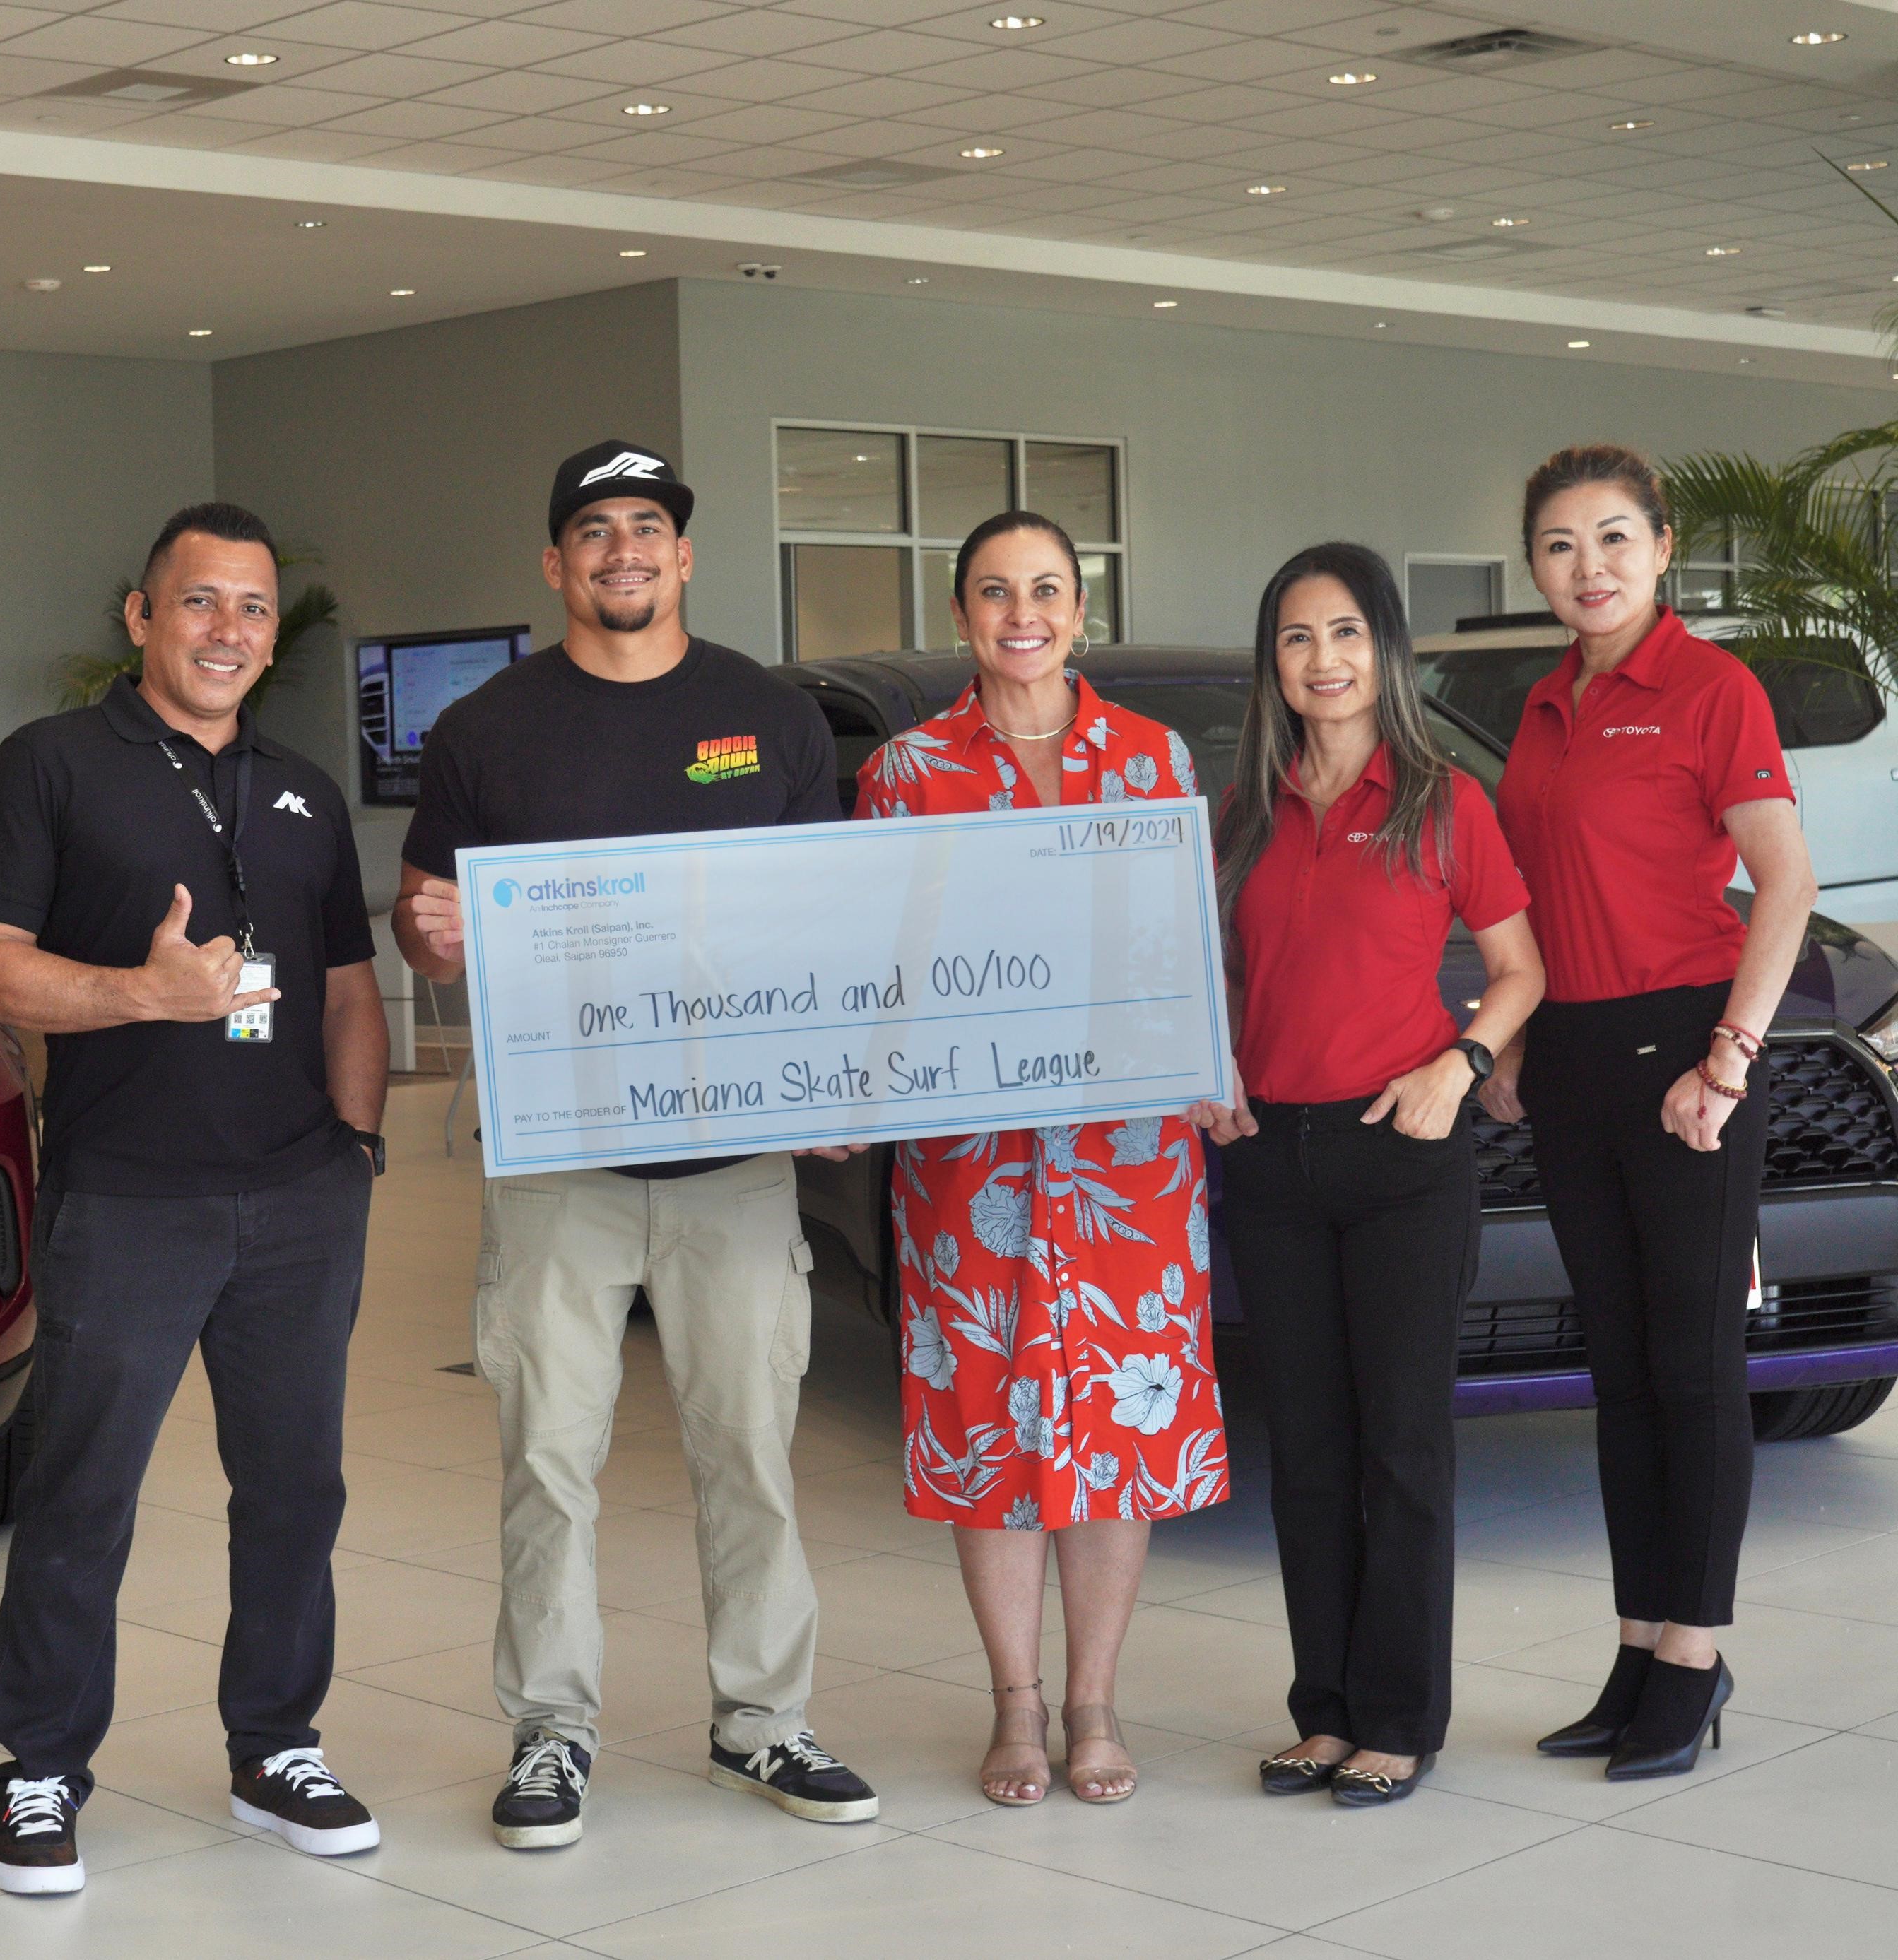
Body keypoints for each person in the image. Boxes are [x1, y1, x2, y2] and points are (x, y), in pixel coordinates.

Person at [394, 440, 878, 1850]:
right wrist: (433, 932)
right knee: (548, 1455)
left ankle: (763, 1721)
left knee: (751, 1446)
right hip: (561, 1161)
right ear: (556, 562)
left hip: (734, 1159)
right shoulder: (485, 730)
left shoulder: (766, 714)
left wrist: (834, 1077)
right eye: (594, 530)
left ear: (681, 555)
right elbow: (436, 912)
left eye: (648, 528)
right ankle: (551, 1732)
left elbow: (822, 921)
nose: (623, 550)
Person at [0, 502, 389, 1896]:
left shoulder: (306, 788)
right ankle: (39, 1767)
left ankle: (276, 1745)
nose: (227, 631)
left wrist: (358, 1147)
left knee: (293, 1490)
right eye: (197, 603)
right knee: (84, 1489)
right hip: (130, 1199)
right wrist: (143, 994)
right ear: (140, 618)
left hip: (298, 1200)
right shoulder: (51, 768)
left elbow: (339, 988)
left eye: (252, 609)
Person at [853, 511, 1225, 1810]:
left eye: (1048, 590)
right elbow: (882, 963)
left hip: (1127, 1160)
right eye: (996, 592)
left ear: (1081, 611)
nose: (1024, 612)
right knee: (988, 1427)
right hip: (970, 1163)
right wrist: (860, 1077)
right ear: (963, 615)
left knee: (1112, 1425)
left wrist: (1211, 1066)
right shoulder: (905, 769)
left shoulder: (1152, 755)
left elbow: (1180, 943)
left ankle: (1095, 1701)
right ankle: (1014, 1704)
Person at [1192, 544, 1543, 1807]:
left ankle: (1399, 1714)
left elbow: (1521, 969)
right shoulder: (1244, 810)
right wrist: (1212, 1068)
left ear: (1384, 649)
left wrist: (1461, 1060)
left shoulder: (1446, 800)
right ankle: (1325, 1711)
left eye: (1345, 633)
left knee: (1401, 1446)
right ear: (1271, 661)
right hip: (1273, 1158)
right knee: (1312, 1448)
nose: (1323, 660)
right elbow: (1220, 986)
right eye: (1297, 637)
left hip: (1404, 1151)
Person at [1489, 447, 1817, 1779]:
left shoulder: (1708, 687)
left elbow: (1784, 885)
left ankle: (1697, 1654)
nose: (1591, 567)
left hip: (1687, 1057)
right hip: (1571, 1061)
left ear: (1664, 546)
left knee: (1693, 1369)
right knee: (1618, 1372)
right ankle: (1637, 1646)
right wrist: (1516, 1040)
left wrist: (1728, 1058)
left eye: (1615, 538)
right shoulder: (1541, 702)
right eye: (1561, 546)